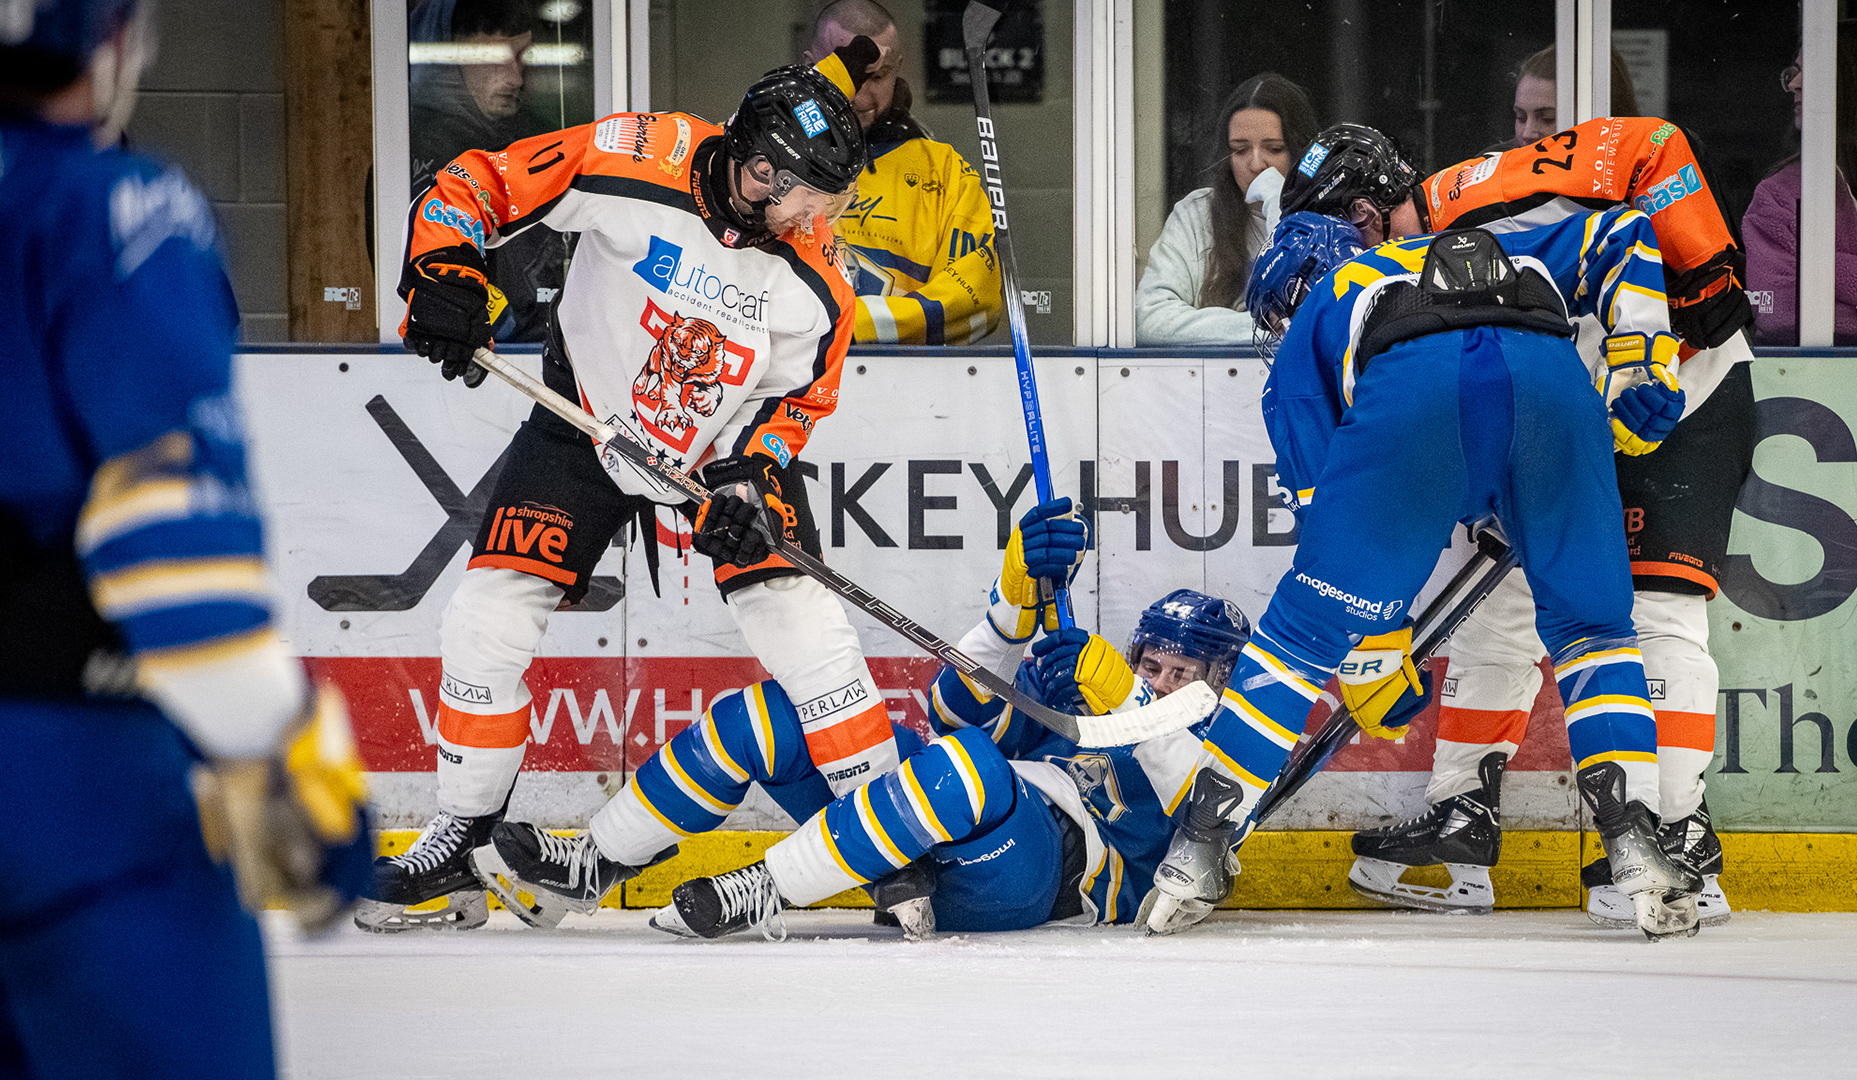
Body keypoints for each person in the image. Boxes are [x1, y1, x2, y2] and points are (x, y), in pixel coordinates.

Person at [354, 44, 907, 932]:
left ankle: (893, 850)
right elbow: (477, 183)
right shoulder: (636, 155)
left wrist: (750, 478)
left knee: (806, 629)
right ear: (756, 167)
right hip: (582, 421)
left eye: (827, 203)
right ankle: (460, 841)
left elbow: (797, 401)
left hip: (712, 457)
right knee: (486, 619)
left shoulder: (819, 276)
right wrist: (447, 271)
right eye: (804, 196)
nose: (814, 218)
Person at [1142, 124, 1706, 941]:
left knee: (1298, 637)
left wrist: (1370, 639)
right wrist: (1641, 358)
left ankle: (1199, 846)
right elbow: (1625, 232)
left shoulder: (1326, 303)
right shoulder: (1498, 246)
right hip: (1553, 387)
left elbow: (1327, 520)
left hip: (1415, 392)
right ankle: (1636, 843)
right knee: (1595, 632)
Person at [0, 2, 372, 1075]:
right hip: (72, 797)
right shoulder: (113, 210)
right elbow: (169, 545)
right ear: (107, 41)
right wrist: (279, 752)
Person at [1284, 118, 1756, 928]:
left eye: (1341, 244)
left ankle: (1676, 835)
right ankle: (1462, 814)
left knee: (1653, 610)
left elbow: (1644, 174)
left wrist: (1658, 339)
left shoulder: (1472, 199)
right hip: (1560, 408)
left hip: (1683, 387)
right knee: (1497, 608)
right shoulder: (1415, 275)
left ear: (1366, 214)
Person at [468, 498, 1252, 939]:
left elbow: (1200, 811)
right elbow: (952, 713)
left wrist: (1126, 698)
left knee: (971, 770)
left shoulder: (1225, 751)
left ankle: (765, 889)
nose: (1160, 681)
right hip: (940, 820)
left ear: (1222, 680)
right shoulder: (1086, 699)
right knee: (779, 715)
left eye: (1183, 674)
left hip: (1031, 875)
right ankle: (594, 863)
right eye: (1151, 665)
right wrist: (1010, 614)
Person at [804, 0, 1002, 345]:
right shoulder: (763, 158)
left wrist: (848, 326)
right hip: (786, 376)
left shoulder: (946, 174)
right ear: (811, 67)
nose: (860, 95)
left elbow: (976, 300)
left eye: (877, 77)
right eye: (846, 75)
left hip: (900, 377)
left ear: (897, 70)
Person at [1745, 20, 1857, 345]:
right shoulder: (1777, 195)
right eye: (1793, 72)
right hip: (1811, 379)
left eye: (1809, 71)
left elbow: (1806, 317)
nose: (1794, 84)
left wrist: (1820, 268)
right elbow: (1779, 317)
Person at [408, 0, 568, 344]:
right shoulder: (411, 151)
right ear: (451, 57)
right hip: (474, 351)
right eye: (496, 57)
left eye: (523, 56)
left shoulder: (536, 139)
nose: (515, 78)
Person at [1135, 72, 1318, 345]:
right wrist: (1264, 329)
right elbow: (1149, 318)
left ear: (1300, 153)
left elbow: (1330, 321)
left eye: (1274, 148)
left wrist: (1282, 210)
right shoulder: (1197, 215)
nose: (1256, 165)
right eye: (1240, 150)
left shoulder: (1331, 219)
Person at [1510, 45, 1640, 147]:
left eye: (1547, 118)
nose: (1527, 134)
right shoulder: (1500, 162)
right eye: (1521, 117)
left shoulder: (1642, 169)